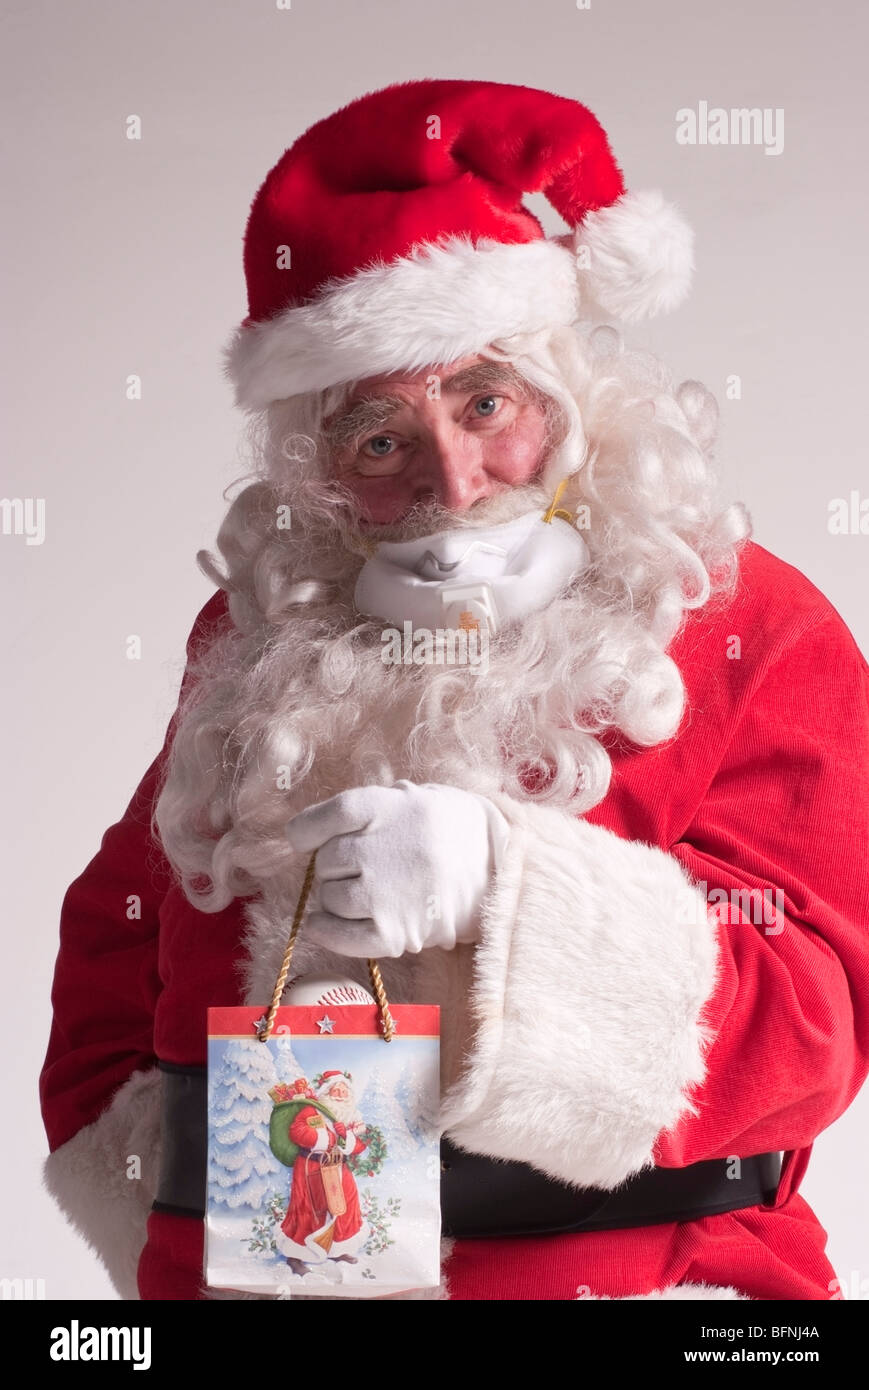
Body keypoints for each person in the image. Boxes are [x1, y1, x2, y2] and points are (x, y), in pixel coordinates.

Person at [40, 78, 869, 1302]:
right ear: (317, 471)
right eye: (378, 438)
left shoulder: (741, 619)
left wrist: (507, 900)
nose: (452, 477)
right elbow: (122, 922)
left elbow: (824, 1018)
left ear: (569, 404)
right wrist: (154, 1195)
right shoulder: (255, 632)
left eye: (487, 403)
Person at [272, 1072, 369, 1275]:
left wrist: (346, 1137)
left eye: (344, 1091)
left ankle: (338, 1249)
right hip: (311, 1167)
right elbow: (297, 1132)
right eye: (337, 1090)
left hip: (338, 1168)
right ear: (327, 1091)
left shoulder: (352, 1117)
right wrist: (329, 1138)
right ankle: (296, 1255)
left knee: (345, 1206)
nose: (341, 1095)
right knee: (309, 1209)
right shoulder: (312, 1110)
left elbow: (359, 1146)